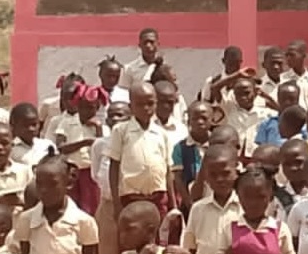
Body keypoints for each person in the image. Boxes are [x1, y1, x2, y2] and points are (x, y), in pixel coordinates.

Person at [107, 82, 174, 221]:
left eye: (150, 103)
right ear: (131, 107)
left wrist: (172, 204)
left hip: (158, 197)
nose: (146, 108)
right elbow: (114, 167)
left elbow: (167, 170)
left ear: (156, 104)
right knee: (132, 238)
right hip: (131, 198)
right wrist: (116, 203)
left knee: (159, 238)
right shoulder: (121, 131)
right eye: (140, 104)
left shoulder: (162, 134)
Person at [92, 101, 131, 254]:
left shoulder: (133, 143)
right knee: (108, 250)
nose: (117, 119)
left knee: (130, 250)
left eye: (122, 115)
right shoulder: (99, 145)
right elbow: (96, 173)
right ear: (107, 120)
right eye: (113, 115)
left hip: (131, 201)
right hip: (107, 202)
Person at [54, 84, 107, 216]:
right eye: (82, 107)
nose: (86, 112)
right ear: (77, 106)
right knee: (71, 207)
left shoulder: (101, 127)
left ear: (97, 108)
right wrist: (85, 143)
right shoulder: (67, 123)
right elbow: (61, 148)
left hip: (90, 173)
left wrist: (98, 130)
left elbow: (103, 151)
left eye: (91, 108)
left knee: (91, 208)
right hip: (71, 171)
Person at [172, 101, 214, 206]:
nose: (200, 122)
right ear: (188, 121)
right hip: (191, 200)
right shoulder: (180, 147)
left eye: (204, 118)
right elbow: (179, 179)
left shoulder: (217, 143)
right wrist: (188, 203)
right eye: (195, 119)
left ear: (212, 120)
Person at [221, 78, 272, 159]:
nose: (243, 97)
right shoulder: (230, 109)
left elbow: (284, 114)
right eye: (238, 94)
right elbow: (214, 89)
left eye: (247, 93)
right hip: (235, 157)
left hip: (256, 157)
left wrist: (266, 96)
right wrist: (238, 74)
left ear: (255, 93)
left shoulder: (265, 114)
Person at [253, 82, 301, 148]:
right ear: (278, 99)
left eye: (292, 99)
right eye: (284, 98)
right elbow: (261, 149)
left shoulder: (304, 125)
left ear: (298, 100)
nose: (287, 102)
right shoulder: (267, 124)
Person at [9, 102, 54, 168]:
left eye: (34, 124)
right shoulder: (10, 150)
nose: (31, 129)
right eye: (25, 125)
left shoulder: (48, 145)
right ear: (14, 126)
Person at [282, 40, 308, 110]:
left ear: (303, 56)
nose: (288, 58)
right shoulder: (282, 79)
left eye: (292, 55)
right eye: (287, 55)